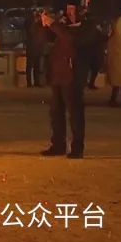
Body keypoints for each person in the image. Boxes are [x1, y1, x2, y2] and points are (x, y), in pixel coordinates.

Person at [41, 9, 84, 158]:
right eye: (69, 10)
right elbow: (45, 38)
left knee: (75, 114)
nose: (70, 13)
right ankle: (58, 145)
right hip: (58, 76)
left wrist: (54, 25)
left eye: (73, 10)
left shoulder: (82, 29)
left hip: (72, 77)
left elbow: (69, 39)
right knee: (56, 114)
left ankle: (77, 148)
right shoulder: (63, 28)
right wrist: (44, 24)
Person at [25, 10, 48, 88]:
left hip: (39, 47)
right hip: (31, 48)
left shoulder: (40, 24)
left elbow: (45, 28)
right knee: (30, 66)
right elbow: (30, 32)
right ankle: (29, 83)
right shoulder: (30, 23)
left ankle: (37, 82)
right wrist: (35, 21)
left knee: (37, 66)